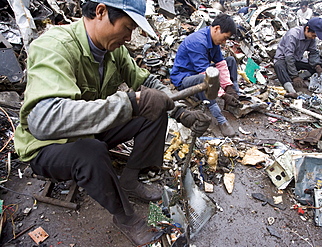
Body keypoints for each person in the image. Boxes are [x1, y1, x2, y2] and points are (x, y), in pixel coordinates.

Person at [13, 0, 211, 245]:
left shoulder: (113, 50)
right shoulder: (54, 46)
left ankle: (129, 180)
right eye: (127, 28)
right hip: (48, 145)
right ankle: (125, 218)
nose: (129, 38)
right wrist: (129, 102)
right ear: (101, 12)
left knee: (155, 111)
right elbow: (42, 122)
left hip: (89, 129)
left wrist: (180, 112)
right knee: (91, 152)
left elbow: (147, 83)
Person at [170, 14, 240, 137]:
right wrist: (223, 95)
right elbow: (205, 75)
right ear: (216, 28)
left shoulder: (213, 40)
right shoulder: (197, 42)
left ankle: (234, 99)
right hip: (184, 79)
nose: (224, 42)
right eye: (224, 38)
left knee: (230, 61)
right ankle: (220, 120)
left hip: (200, 73)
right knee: (204, 80)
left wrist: (229, 87)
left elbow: (220, 64)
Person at [274, 17, 322, 98]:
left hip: (297, 60)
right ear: (307, 29)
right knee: (278, 66)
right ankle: (291, 90)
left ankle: (301, 77)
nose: (314, 37)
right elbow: (289, 57)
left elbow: (313, 52)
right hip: (284, 60)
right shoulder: (293, 35)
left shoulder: (311, 38)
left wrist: (317, 66)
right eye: (313, 35)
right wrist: (294, 76)